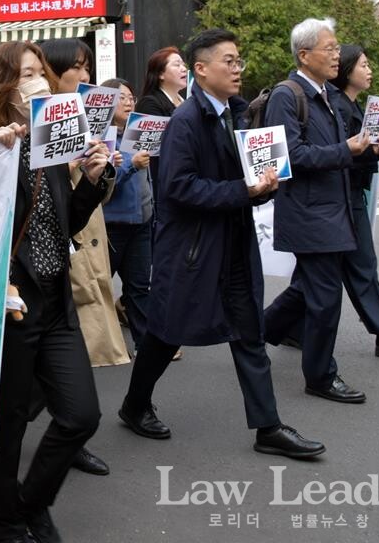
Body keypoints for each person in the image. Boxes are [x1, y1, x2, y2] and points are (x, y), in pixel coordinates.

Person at [119, 28, 326, 462]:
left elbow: (248, 178)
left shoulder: (239, 114)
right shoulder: (185, 123)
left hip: (234, 243)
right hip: (192, 250)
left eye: (238, 61)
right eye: (228, 61)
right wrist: (244, 191)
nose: (237, 69)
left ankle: (267, 426)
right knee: (163, 332)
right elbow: (179, 189)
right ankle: (135, 405)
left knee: (249, 333)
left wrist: (264, 186)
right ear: (201, 69)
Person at [0, 40, 114, 543]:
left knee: (81, 415)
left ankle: (32, 502)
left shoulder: (53, 141)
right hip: (9, 303)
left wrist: (92, 180)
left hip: (55, 300)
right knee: (5, 427)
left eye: (39, 73)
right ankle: (4, 521)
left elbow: (62, 224)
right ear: (0, 86)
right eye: (23, 75)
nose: (36, 83)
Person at [276, 45, 379, 358]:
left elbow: (348, 154)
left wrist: (375, 149)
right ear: (347, 71)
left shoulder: (349, 106)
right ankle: (270, 327)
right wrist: (369, 151)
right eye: (363, 65)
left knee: (331, 273)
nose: (369, 70)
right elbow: (326, 156)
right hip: (330, 201)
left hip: (345, 197)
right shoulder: (332, 106)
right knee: (331, 273)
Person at [262, 18, 372, 404]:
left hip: (331, 208)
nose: (337, 55)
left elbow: (336, 149)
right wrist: (347, 151)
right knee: (325, 296)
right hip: (310, 213)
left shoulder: (324, 94)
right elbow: (290, 155)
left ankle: (258, 330)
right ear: (304, 54)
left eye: (337, 48)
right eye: (330, 48)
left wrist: (369, 149)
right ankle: (321, 376)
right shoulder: (287, 95)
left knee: (308, 287)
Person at [33, 37, 124, 478]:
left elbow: (93, 185)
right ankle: (66, 427)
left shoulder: (85, 114)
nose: (85, 77)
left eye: (88, 68)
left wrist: (104, 167)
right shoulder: (41, 117)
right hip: (54, 247)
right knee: (70, 336)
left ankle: (63, 423)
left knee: (73, 337)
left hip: (86, 230)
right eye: (78, 68)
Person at [134, 46, 190, 359]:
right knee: (159, 266)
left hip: (180, 188)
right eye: (176, 64)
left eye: (183, 64)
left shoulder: (185, 101)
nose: (183, 69)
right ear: (160, 74)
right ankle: (160, 332)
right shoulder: (151, 104)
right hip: (157, 189)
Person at [100, 78, 154, 357]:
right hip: (112, 225)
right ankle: (95, 347)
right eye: (121, 97)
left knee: (139, 288)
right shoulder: (102, 139)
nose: (129, 101)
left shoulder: (138, 133)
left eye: (131, 96)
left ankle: (145, 347)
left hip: (141, 222)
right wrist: (131, 165)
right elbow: (103, 181)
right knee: (98, 286)